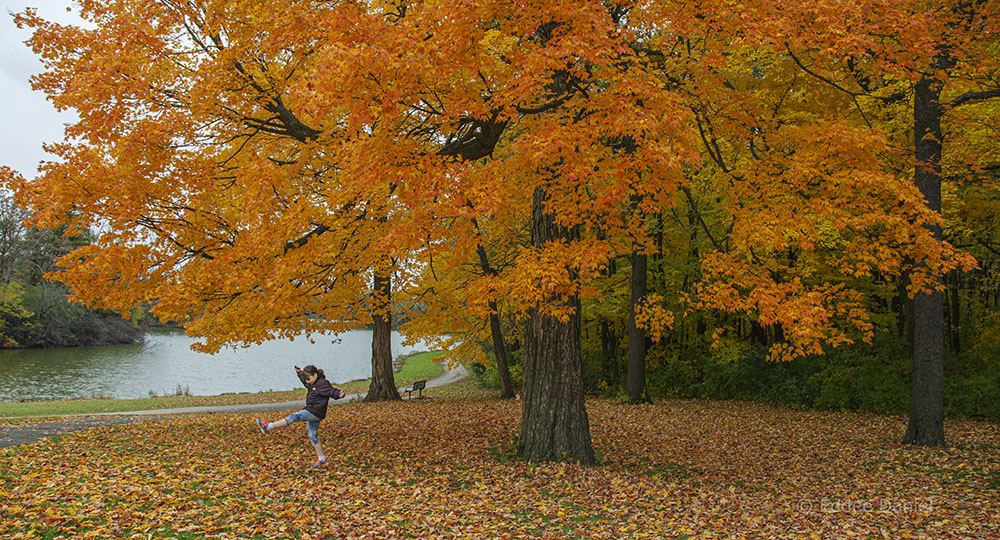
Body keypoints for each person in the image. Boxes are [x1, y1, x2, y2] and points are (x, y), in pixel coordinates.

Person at [255, 365, 347, 467]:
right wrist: (299, 373)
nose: (307, 381)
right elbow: (305, 382)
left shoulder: (322, 383)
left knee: (294, 417)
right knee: (313, 437)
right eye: (306, 379)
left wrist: (339, 394)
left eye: (309, 379)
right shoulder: (312, 383)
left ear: (315, 375)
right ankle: (322, 459)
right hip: (314, 412)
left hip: (315, 411)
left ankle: (268, 426)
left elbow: (331, 391)